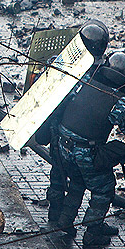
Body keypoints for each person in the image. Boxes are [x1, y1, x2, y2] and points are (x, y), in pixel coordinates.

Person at [56, 50, 125, 246]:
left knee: (78, 181)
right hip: (85, 150)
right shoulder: (120, 101)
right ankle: (93, 230)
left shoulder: (86, 81)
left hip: (63, 145)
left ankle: (65, 220)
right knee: (104, 188)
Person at [43, 20, 109, 227]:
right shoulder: (97, 71)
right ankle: (64, 220)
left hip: (57, 130)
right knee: (75, 178)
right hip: (74, 131)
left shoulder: (59, 64)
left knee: (57, 174)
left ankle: (56, 216)